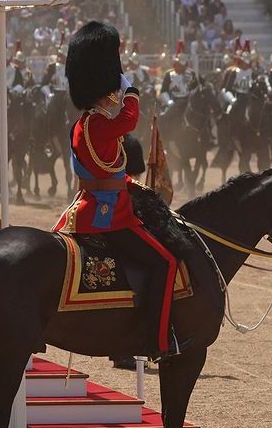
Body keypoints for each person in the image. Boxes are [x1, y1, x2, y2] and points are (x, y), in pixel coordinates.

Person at [53, 21, 184, 361]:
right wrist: (129, 86)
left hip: (102, 201)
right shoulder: (97, 123)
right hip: (107, 214)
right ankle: (157, 340)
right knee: (165, 263)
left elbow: (107, 170)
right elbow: (128, 121)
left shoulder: (87, 121)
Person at [159, 40, 198, 108]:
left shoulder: (192, 74)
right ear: (176, 64)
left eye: (184, 65)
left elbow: (195, 88)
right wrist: (169, 102)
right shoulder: (168, 74)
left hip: (188, 103)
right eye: (180, 65)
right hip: (173, 102)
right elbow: (163, 91)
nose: (182, 67)